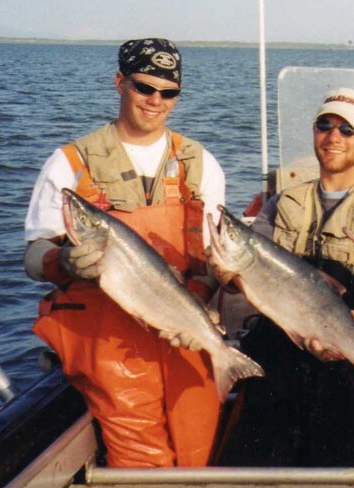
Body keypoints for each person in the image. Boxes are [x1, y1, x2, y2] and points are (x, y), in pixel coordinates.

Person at [24, 38, 225, 467]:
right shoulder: (69, 163)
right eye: (143, 87)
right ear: (120, 83)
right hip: (109, 344)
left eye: (168, 92)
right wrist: (61, 261)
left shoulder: (200, 163)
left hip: (183, 334)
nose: (155, 101)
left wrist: (201, 306)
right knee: (141, 462)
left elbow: (211, 261)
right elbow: (33, 252)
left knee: (200, 455)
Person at [209, 87, 354, 467]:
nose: (333, 137)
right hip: (281, 353)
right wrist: (222, 269)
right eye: (325, 125)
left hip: (349, 364)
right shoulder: (281, 203)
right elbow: (244, 270)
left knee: (343, 457)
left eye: (347, 129)